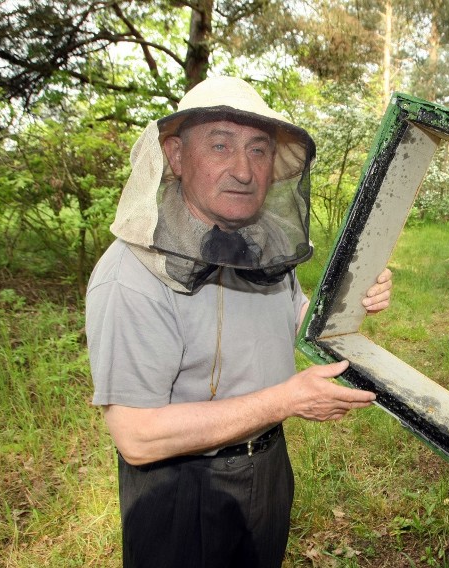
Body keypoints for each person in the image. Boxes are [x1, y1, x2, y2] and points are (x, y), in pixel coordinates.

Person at [85, 76, 392, 568]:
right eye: (220, 145)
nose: (243, 170)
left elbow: (302, 323)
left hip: (268, 469)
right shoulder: (129, 276)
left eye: (259, 150)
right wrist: (288, 399)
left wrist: (355, 297)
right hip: (180, 488)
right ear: (177, 156)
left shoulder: (262, 246)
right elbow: (136, 437)